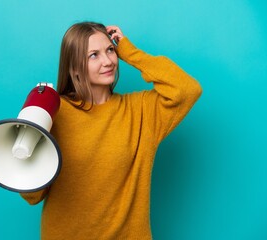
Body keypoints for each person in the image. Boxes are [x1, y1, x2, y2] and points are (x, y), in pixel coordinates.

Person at [20, 21, 202, 240]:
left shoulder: (142, 111)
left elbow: (187, 89)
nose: (108, 61)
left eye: (110, 50)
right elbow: (32, 196)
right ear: (74, 67)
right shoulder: (54, 113)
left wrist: (129, 51)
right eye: (93, 55)